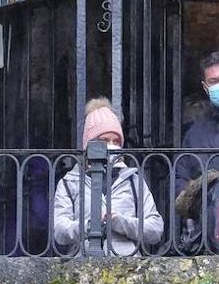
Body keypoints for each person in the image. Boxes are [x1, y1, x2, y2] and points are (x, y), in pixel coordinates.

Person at [53, 99, 163, 256]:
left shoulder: (133, 181)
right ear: (89, 145)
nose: (112, 145)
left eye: (116, 141)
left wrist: (120, 222)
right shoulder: (69, 182)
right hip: (82, 267)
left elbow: (155, 229)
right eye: (104, 140)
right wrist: (90, 226)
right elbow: (59, 231)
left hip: (127, 266)